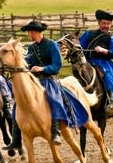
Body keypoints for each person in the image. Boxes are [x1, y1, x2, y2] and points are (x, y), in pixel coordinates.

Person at [5, 20, 89, 150]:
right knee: (17, 103)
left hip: (49, 80)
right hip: (35, 81)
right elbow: (27, 63)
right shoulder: (32, 47)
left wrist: (43, 69)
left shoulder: (52, 45)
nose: (28, 34)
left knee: (54, 100)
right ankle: (16, 140)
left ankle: (56, 132)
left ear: (35, 32)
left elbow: (57, 65)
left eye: (29, 32)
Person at [79, 9, 113, 116]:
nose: (106, 26)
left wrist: (106, 51)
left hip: (104, 64)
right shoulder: (88, 34)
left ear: (111, 25)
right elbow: (80, 46)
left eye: (108, 24)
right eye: (104, 23)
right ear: (99, 23)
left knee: (109, 79)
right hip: (87, 63)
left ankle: (110, 103)